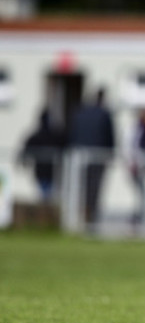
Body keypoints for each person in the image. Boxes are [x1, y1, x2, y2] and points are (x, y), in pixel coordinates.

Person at [68, 87, 115, 228]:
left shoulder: (79, 112)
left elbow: (72, 133)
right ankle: (90, 218)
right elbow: (109, 137)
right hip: (97, 156)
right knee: (94, 189)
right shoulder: (104, 114)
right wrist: (110, 153)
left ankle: (78, 216)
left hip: (79, 155)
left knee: (79, 187)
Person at [21, 108, 66, 202]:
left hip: (44, 171)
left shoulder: (40, 135)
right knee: (46, 195)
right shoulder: (53, 135)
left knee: (46, 194)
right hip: (48, 171)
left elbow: (27, 148)